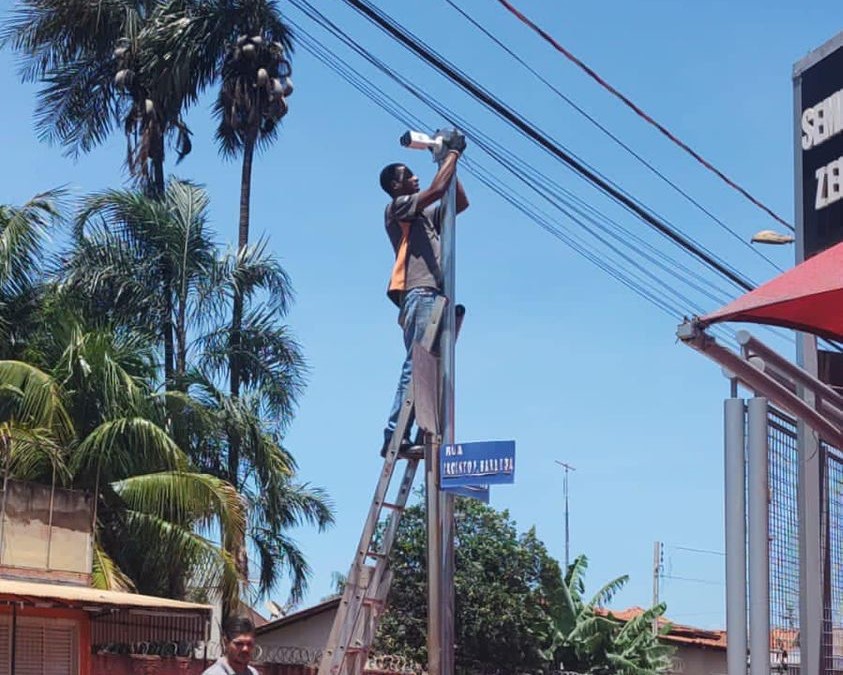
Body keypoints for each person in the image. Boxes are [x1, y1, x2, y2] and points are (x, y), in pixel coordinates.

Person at [379, 134, 469, 458]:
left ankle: (420, 431)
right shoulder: (397, 208)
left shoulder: (424, 220)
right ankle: (395, 435)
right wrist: (452, 155)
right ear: (395, 186)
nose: (414, 178)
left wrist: (446, 161)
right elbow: (436, 191)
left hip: (435, 295)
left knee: (432, 365)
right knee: (417, 364)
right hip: (419, 292)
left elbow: (457, 202)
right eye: (407, 176)